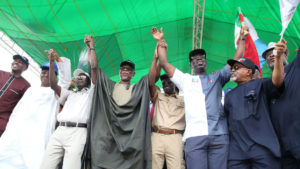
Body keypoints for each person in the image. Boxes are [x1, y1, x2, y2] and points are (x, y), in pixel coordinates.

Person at [153, 25, 248, 169]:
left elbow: (236, 60)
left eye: (202, 57)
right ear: (191, 65)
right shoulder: (185, 80)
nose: (199, 59)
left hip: (219, 136)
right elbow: (165, 64)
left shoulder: (217, 77)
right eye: (195, 58)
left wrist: (242, 38)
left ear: (206, 62)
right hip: (194, 137)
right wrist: (160, 42)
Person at [82, 38, 152, 169]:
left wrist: (155, 57)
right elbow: (94, 68)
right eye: (123, 68)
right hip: (108, 138)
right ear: (119, 72)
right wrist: (91, 47)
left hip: (129, 140)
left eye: (129, 69)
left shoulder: (137, 89)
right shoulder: (109, 85)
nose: (125, 71)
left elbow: (152, 77)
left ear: (133, 74)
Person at [225, 39, 285, 168]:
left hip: (263, 148)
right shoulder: (229, 96)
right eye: (232, 68)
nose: (233, 70)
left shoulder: (261, 84)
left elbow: (278, 81)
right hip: (237, 153)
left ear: (249, 71)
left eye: (237, 68)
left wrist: (279, 58)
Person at [40, 35, 97, 169]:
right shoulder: (69, 94)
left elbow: (94, 68)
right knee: (46, 165)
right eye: (77, 77)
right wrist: (52, 61)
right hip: (60, 131)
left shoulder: (91, 94)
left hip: (78, 132)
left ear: (89, 82)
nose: (79, 78)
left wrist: (91, 47)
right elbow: (53, 84)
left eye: (83, 76)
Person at [0, 61, 61, 169]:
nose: (45, 74)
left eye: (49, 73)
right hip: (19, 132)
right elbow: (17, 111)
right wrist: (11, 129)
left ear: (54, 76)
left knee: (33, 160)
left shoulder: (55, 93)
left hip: (38, 135)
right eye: (43, 72)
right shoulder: (31, 90)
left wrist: (52, 61)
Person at [263, 41, 300, 168]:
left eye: (274, 52)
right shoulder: (265, 84)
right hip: (281, 148)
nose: (271, 55)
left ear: (286, 53)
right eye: (268, 55)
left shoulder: (296, 67)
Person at [149, 43, 185, 169]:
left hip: (175, 137)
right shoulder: (157, 96)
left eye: (169, 81)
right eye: (163, 82)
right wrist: (156, 58)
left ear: (176, 83)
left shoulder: (185, 100)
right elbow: (150, 81)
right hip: (156, 136)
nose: (166, 84)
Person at [0, 54, 30, 137]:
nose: (16, 62)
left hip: (2, 119)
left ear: (25, 68)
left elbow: (23, 107)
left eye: (20, 62)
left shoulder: (26, 86)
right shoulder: (1, 73)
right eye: (15, 60)